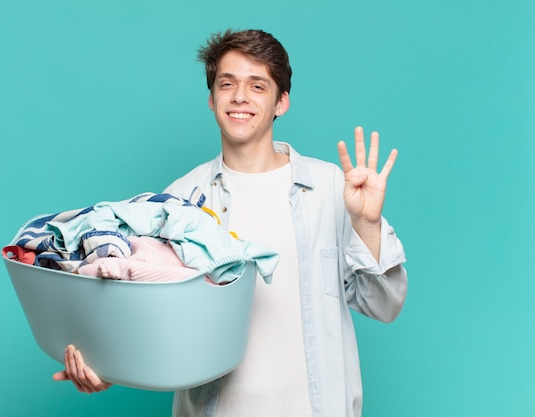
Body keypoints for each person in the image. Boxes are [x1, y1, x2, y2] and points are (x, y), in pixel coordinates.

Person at [53, 29, 408, 417]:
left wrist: (367, 224)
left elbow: (384, 305)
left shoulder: (333, 189)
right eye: (228, 83)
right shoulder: (178, 200)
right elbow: (152, 316)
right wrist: (108, 368)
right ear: (212, 98)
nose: (240, 97)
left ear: (282, 102)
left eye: (258, 85)